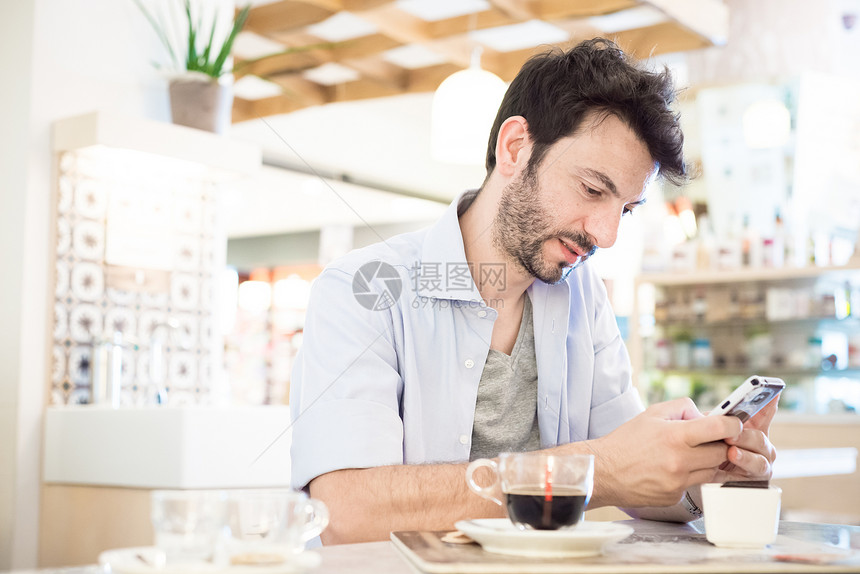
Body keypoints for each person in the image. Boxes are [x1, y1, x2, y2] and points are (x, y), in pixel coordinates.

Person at [289, 38, 778, 545]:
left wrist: (706, 466)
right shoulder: (364, 289)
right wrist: (599, 469)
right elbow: (346, 511)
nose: (606, 235)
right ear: (515, 148)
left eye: (626, 209)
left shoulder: (581, 296)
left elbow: (639, 482)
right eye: (592, 189)